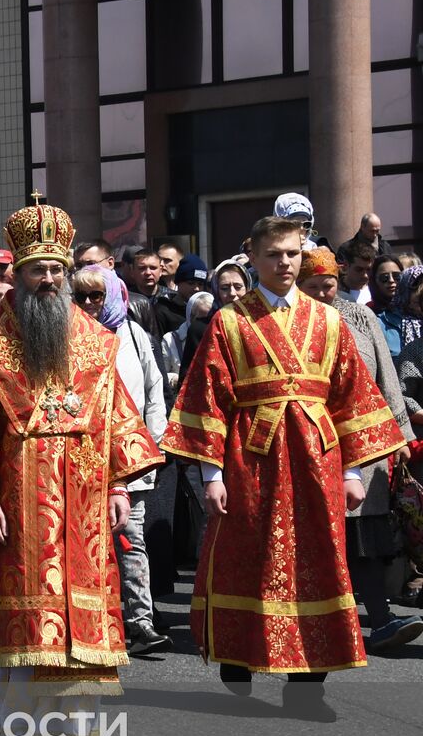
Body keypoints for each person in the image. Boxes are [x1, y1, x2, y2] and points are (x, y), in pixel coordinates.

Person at [0, 199, 163, 736]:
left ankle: (77, 720)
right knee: (27, 606)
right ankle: (26, 717)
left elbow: (116, 415)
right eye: (38, 270)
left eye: (57, 269)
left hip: (87, 493)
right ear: (20, 276)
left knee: (87, 603)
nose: (49, 279)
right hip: (20, 498)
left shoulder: (98, 343)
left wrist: (121, 484)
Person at [164, 216, 406, 707]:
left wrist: (354, 471)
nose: (285, 263)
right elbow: (209, 398)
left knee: (316, 560)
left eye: (293, 253)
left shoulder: (329, 321)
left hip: (318, 460)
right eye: (274, 255)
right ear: (252, 258)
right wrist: (211, 474)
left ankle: (308, 684)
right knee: (246, 557)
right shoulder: (230, 321)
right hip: (250, 459)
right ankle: (237, 666)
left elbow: (352, 397)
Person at [296, 250, 423, 652]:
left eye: (327, 284)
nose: (321, 293)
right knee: (315, 539)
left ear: (339, 279)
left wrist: (399, 434)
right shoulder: (290, 321)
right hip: (307, 445)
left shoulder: (360, 316)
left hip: (362, 444)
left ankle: (381, 621)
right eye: (312, 287)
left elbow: (387, 376)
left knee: (363, 536)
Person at [71, 265, 171, 655]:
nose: (91, 304)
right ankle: (97, 620)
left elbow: (153, 391)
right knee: (88, 543)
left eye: (98, 296)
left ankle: (140, 621)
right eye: (82, 297)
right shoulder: (67, 339)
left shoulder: (132, 334)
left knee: (131, 538)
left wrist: (152, 444)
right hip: (82, 458)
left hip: (130, 456)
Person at [163, 292, 215, 392]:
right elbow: (161, 375)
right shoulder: (170, 340)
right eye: (201, 319)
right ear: (190, 316)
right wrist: (175, 379)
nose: (205, 323)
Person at [370, 254, 408, 358]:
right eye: (384, 278)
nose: (391, 280)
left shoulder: (415, 311)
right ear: (374, 281)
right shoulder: (370, 316)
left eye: (396, 276)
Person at [337, 239, 376, 305]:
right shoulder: (336, 293)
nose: (365, 275)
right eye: (359, 270)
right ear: (346, 266)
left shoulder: (377, 290)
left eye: (369, 269)